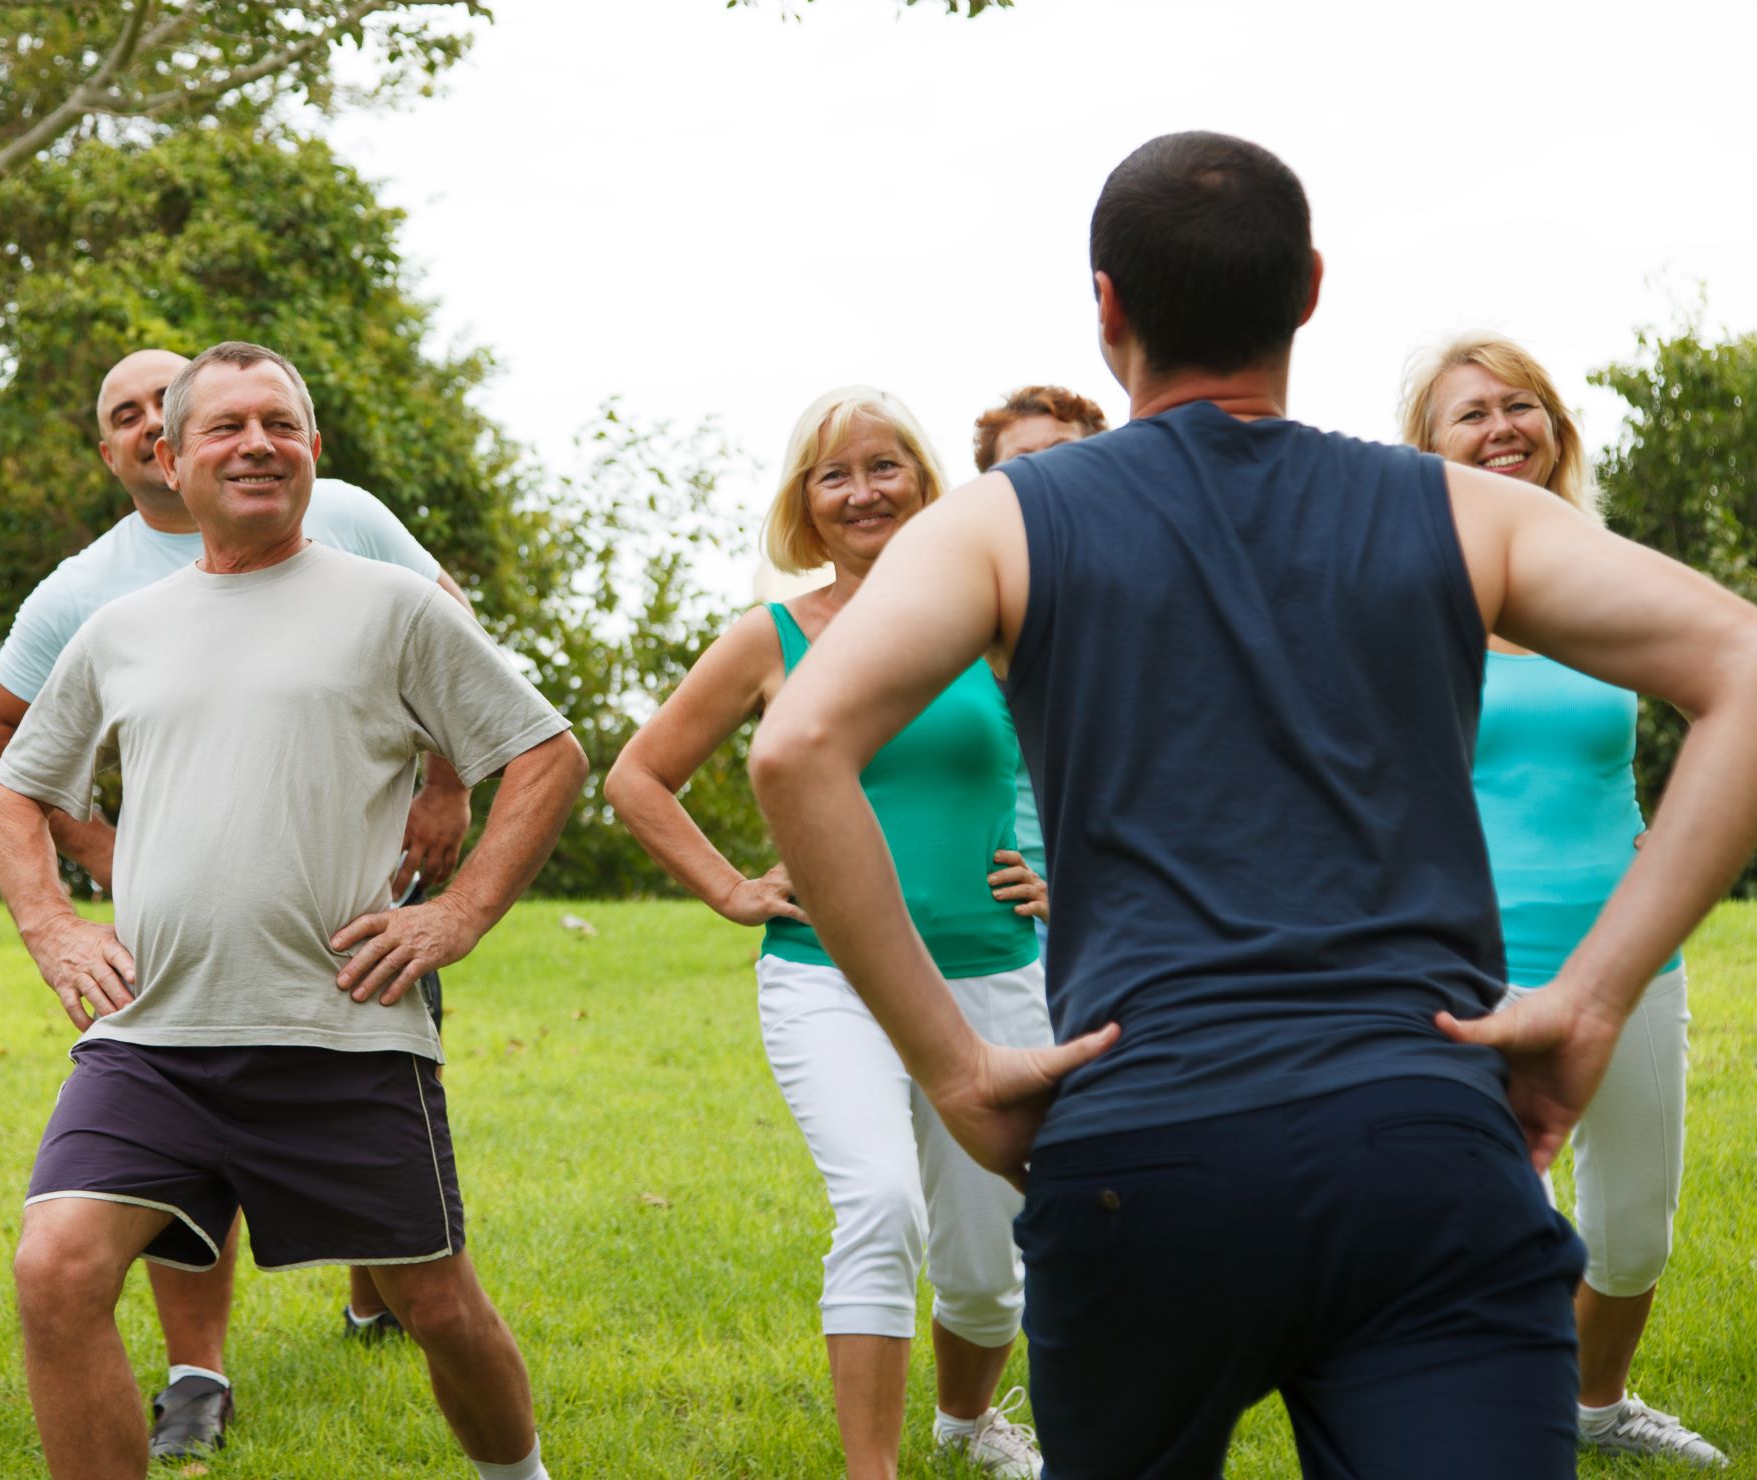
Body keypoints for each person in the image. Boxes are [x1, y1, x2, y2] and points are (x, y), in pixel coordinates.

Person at [749, 130, 1757, 1480]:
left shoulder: (1002, 524)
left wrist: (957, 1070)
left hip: (1138, 1154)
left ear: (1106, 303)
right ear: (1310, 290)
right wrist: (1590, 999)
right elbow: (1744, 668)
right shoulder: (1464, 514)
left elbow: (795, 749)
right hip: (1426, 1148)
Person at [0, 341, 586, 1480]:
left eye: (280, 423)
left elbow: (548, 754)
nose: (256, 443)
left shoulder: (393, 606)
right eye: (226, 426)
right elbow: (14, 783)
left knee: (437, 1303)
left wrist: (454, 916)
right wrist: (54, 926)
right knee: (55, 1269)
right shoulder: (121, 625)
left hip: (340, 1034)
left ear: (316, 449)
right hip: (153, 1038)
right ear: (167, 454)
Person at [606, 386, 1051, 1479]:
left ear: (926, 481)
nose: (863, 491)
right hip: (827, 976)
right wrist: (728, 888)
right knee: (881, 1201)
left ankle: (964, 1423)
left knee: (988, 1269)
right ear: (805, 502)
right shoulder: (773, 635)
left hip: (991, 976)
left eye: (885, 465)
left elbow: (1111, 760)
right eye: (835, 474)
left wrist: (1061, 868)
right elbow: (638, 776)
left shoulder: (1000, 626)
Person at [1403, 334, 1723, 1466]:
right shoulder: (1408, 597)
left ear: (1554, 427)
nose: (1501, 429)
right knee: (1487, 1234)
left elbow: (1714, 705)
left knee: (1632, 1231)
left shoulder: (1606, 573)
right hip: (1469, 961)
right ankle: (1494, 1424)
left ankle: (1597, 1406)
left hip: (1627, 942)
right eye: (1471, 413)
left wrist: (1666, 835)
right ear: (1427, 447)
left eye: (1520, 406)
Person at [968, 386, 1111, 897]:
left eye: (1065, 454)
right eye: (1023, 463)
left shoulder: (1137, 602)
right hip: (1005, 917)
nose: (1048, 475)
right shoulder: (966, 614)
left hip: (1122, 909)